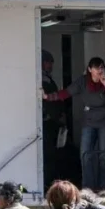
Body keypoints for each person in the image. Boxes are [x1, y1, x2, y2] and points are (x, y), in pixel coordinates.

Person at [43, 57, 105, 191]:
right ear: (90, 69)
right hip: (89, 122)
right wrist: (47, 97)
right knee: (85, 154)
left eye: (102, 67)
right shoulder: (83, 81)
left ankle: (102, 189)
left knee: (103, 156)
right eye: (97, 68)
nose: (100, 71)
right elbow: (66, 93)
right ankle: (87, 189)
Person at [41, 50, 65, 190]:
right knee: (48, 155)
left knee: (53, 154)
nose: (50, 65)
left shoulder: (48, 79)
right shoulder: (42, 80)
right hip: (46, 122)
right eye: (47, 62)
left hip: (52, 122)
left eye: (51, 62)